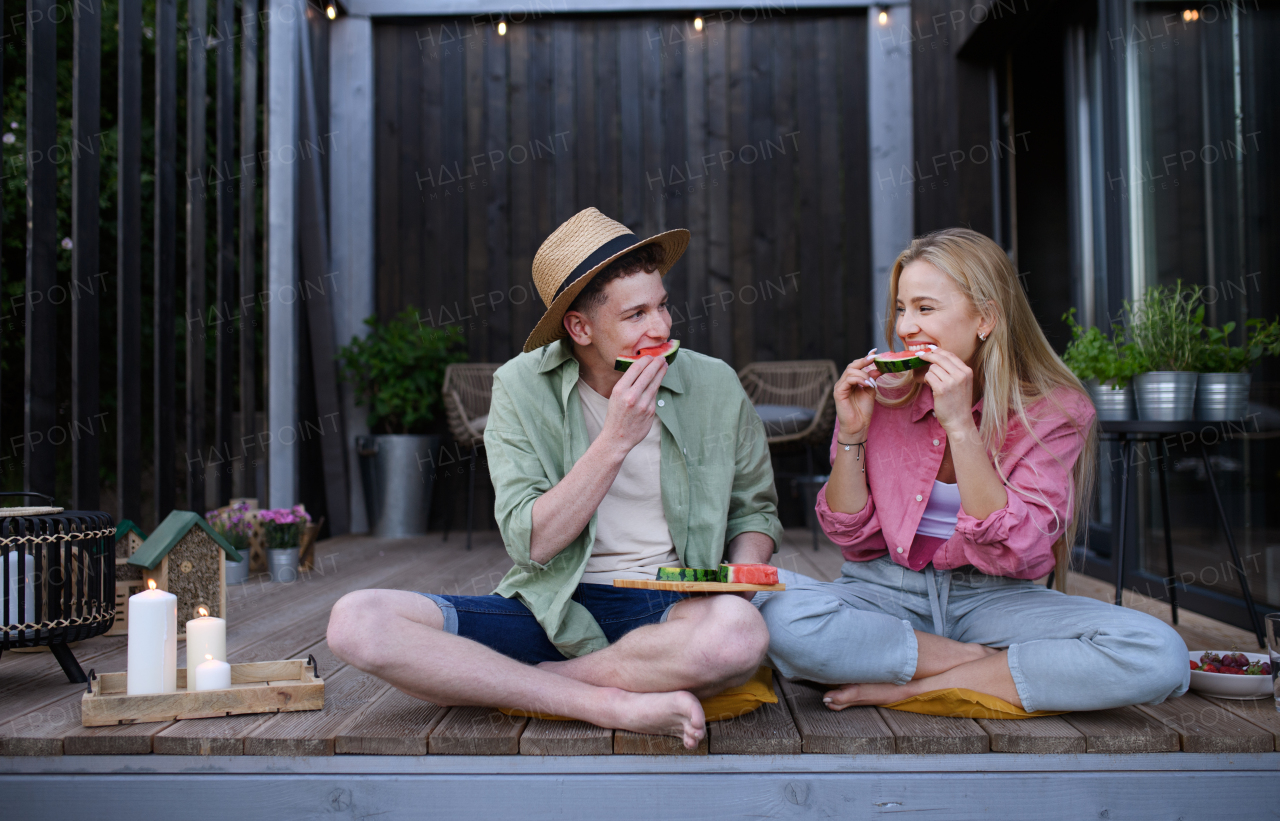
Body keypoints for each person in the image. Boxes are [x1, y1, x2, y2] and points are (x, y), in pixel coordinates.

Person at [328, 207, 783, 748]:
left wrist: (742, 574)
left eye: (662, 306)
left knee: (738, 634)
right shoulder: (519, 388)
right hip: (552, 607)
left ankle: (530, 685)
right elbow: (532, 543)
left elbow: (755, 509)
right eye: (635, 315)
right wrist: (616, 439)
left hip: (673, 606)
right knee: (357, 621)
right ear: (580, 327)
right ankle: (602, 701)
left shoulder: (714, 383)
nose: (661, 328)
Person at [761, 228, 1189, 713]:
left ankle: (912, 686)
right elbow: (851, 536)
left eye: (925, 308)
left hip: (997, 599)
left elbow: (1016, 545)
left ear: (985, 317)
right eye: (901, 309)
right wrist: (854, 432)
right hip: (885, 590)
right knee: (765, 607)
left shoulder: (1056, 411)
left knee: (1160, 653)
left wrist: (961, 425)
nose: (905, 326)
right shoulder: (885, 395)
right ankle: (977, 664)